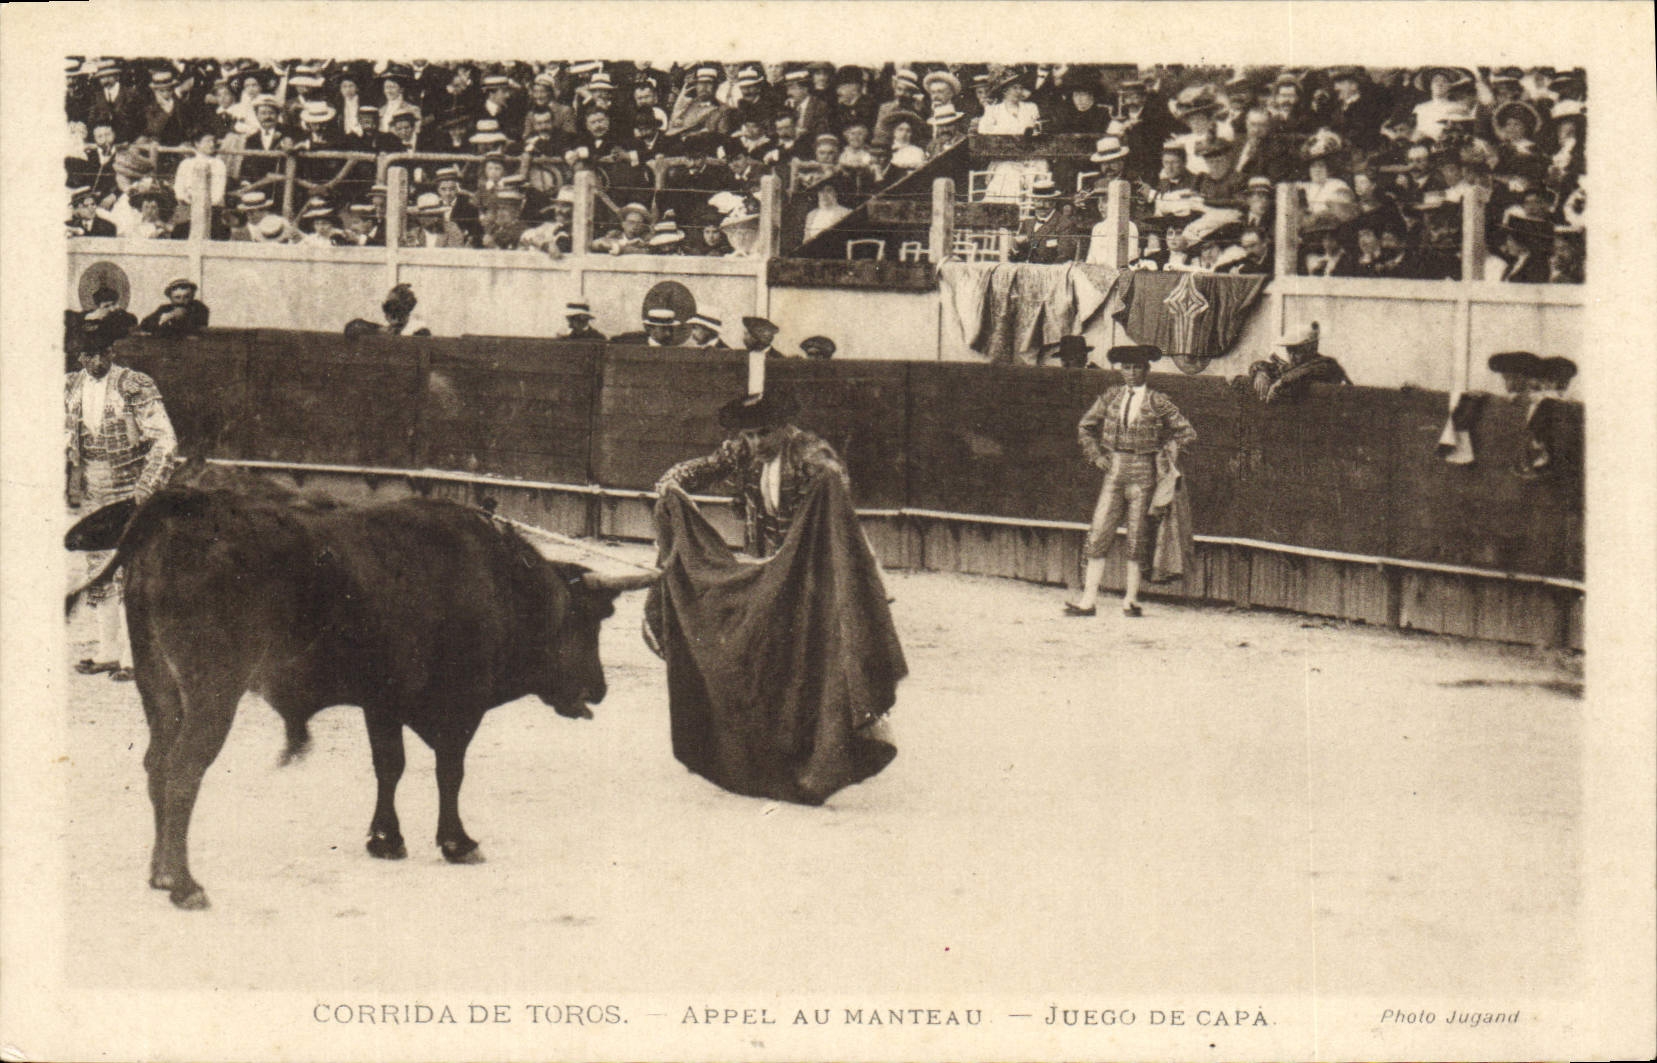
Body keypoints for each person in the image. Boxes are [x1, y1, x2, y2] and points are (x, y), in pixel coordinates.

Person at [65, 327, 179, 682]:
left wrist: (146, 488)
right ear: (79, 357)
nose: (96, 361)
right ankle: (108, 652)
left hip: (131, 486)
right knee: (97, 566)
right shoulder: (69, 385)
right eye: (88, 355)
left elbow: (165, 440)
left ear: (112, 351)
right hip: (92, 486)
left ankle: (136, 657)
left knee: (132, 568)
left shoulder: (135, 383)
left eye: (102, 353)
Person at [1065, 345, 1197, 618]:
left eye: (1137, 367)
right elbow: (1085, 427)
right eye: (1126, 367)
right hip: (1114, 469)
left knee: (1138, 536)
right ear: (1120, 370)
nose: (1131, 373)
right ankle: (1088, 601)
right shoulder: (1110, 396)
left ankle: (1131, 600)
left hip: (1145, 472)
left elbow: (1187, 432)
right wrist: (1096, 456)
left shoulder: (1158, 400)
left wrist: (1164, 455)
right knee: (1099, 532)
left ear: (1147, 370)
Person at [654, 388, 850, 558]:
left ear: (783, 427)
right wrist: (671, 481)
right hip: (761, 547)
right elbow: (705, 467)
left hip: (808, 551)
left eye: (765, 433)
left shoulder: (810, 453)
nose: (757, 442)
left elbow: (834, 505)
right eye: (750, 435)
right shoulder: (743, 448)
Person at [1243, 322, 1351, 402]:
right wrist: (1260, 372)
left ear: (1312, 348)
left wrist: (1281, 382)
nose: (1291, 356)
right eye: (1289, 351)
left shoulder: (1326, 365)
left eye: (1297, 351)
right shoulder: (1294, 367)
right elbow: (1268, 366)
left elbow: (1307, 371)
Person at [138, 279, 210, 336]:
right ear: (170, 298)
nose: (182, 301)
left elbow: (197, 327)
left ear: (193, 296)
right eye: (177, 297)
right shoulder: (164, 309)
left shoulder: (199, 308)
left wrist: (175, 316)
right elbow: (144, 324)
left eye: (186, 297)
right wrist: (160, 320)